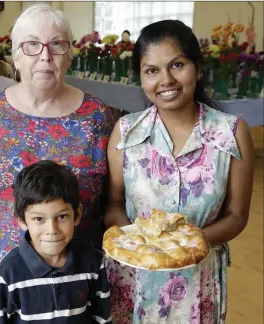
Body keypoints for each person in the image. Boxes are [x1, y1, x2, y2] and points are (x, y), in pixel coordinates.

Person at [0, 4, 114, 323]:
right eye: (31, 45)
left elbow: (116, 198)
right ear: (16, 57)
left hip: (76, 276)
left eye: (57, 44)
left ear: (69, 54)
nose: (45, 56)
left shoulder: (98, 117)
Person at [104, 20, 254, 323]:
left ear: (197, 69)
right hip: (134, 278)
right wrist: (144, 249)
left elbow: (237, 216)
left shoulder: (231, 133)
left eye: (177, 65)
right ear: (141, 78)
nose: (166, 80)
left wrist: (180, 249)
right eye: (152, 70)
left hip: (198, 281)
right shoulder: (126, 132)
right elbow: (114, 205)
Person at [0, 160, 112, 324]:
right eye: (39, 219)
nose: (52, 229)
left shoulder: (93, 262)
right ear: (22, 220)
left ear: (78, 214)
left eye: (62, 217)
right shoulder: (7, 272)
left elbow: (102, 318)